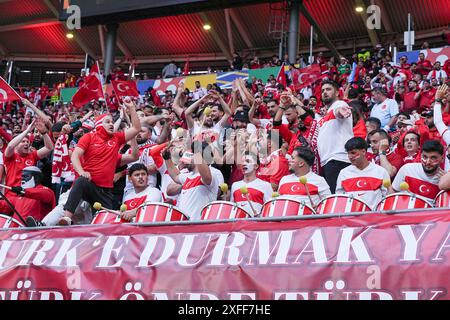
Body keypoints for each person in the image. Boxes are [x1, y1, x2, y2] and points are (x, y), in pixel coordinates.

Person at [57, 99, 141, 225]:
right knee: (80, 181)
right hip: (90, 184)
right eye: (107, 122)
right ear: (99, 125)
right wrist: (82, 172)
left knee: (106, 224)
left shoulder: (116, 138)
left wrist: (132, 108)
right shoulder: (89, 137)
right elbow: (75, 155)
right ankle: (67, 218)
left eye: (112, 122)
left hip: (106, 191)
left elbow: (136, 128)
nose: (111, 124)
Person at [308, 79, 354, 193]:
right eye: (323, 90)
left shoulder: (339, 104)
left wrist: (340, 111)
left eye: (328, 89)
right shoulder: (325, 115)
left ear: (337, 93)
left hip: (338, 158)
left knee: (338, 197)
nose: (324, 92)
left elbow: (338, 111)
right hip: (329, 160)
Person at [163, 140, 223, 220]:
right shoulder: (187, 176)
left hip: (199, 226)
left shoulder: (212, 174)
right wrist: (167, 158)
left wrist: (197, 153)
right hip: (184, 226)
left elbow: (207, 177)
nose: (186, 158)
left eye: (190, 155)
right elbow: (176, 175)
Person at [336, 137, 390, 210]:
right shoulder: (343, 173)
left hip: (375, 218)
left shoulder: (381, 171)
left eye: (353, 153)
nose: (350, 157)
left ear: (364, 152)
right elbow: (340, 199)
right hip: (350, 218)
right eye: (348, 153)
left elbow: (387, 198)